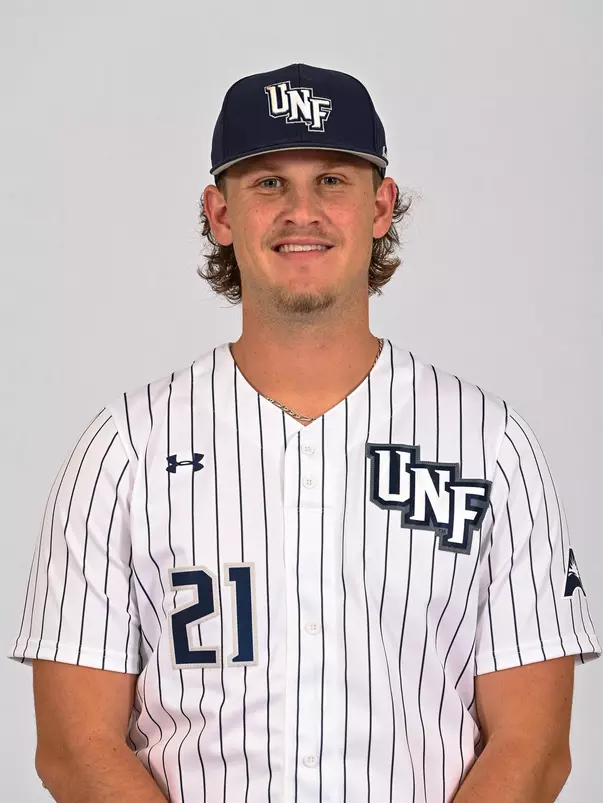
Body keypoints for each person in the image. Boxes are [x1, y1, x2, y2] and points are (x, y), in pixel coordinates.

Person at [7, 62, 601, 803]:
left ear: (380, 206)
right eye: (266, 183)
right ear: (220, 214)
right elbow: (74, 747)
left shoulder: (490, 446)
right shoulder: (124, 449)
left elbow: (533, 746)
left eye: (331, 180)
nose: (301, 211)